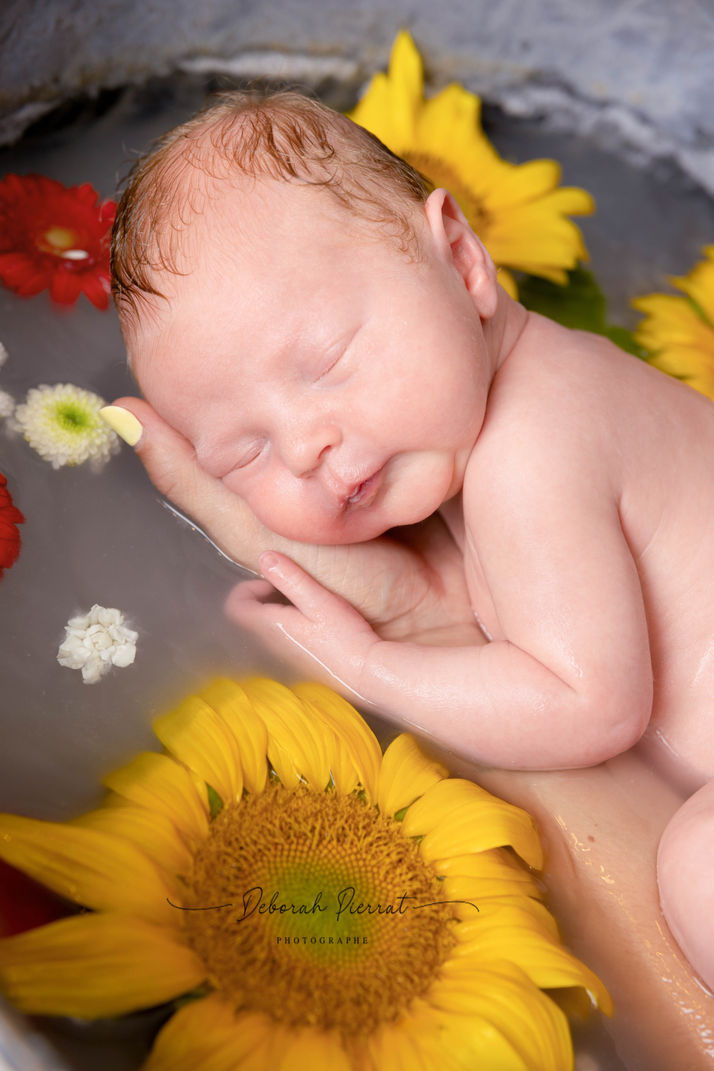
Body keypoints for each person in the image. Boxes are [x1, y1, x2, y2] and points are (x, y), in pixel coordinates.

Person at [101, 88, 714, 989]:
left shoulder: (531, 449)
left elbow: (589, 706)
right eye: (246, 451)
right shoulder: (547, 393)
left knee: (699, 865)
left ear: (463, 261)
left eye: (326, 363)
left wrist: (372, 663)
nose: (306, 445)